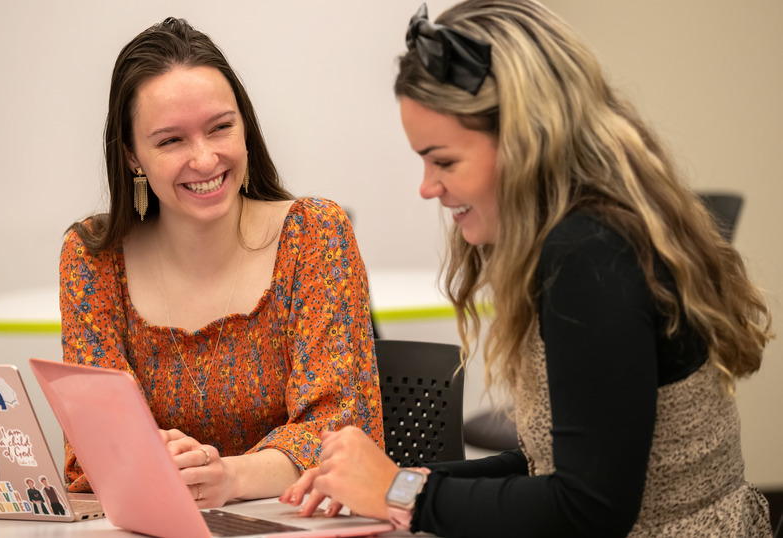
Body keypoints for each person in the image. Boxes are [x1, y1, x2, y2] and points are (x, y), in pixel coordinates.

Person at [281, 1, 773, 536]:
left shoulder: (589, 252)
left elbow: (589, 507)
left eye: (443, 160)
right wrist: (398, 479)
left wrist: (402, 493)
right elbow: (553, 465)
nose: (427, 186)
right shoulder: (585, 234)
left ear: (525, 143)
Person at [60, 17, 384, 507]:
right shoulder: (95, 257)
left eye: (221, 128)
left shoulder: (314, 232)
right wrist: (158, 463)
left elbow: (342, 430)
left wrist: (226, 477)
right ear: (131, 156)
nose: (206, 159)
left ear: (246, 127)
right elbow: (91, 453)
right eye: (171, 140)